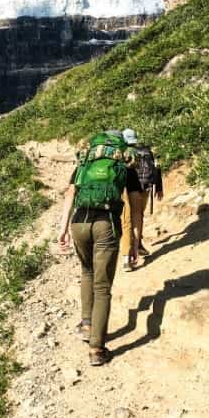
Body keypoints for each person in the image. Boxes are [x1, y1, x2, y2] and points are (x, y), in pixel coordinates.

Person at [58, 130, 142, 366]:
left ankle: (86, 325)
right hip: (106, 224)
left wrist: (62, 229)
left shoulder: (85, 162)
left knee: (87, 272)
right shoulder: (125, 165)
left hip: (79, 222)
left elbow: (70, 194)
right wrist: (135, 241)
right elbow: (135, 209)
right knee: (103, 287)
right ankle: (97, 348)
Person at [120, 128, 163, 271]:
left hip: (130, 188)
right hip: (145, 186)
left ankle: (129, 253)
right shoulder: (146, 150)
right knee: (138, 216)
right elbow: (157, 167)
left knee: (128, 220)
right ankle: (138, 244)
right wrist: (159, 187)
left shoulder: (123, 152)